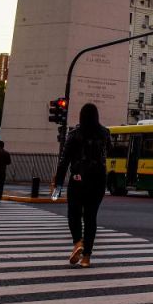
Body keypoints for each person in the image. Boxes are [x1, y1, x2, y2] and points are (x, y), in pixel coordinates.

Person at [52, 103, 110, 268]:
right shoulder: (105, 133)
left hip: (78, 179)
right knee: (91, 217)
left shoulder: (74, 134)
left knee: (74, 213)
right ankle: (86, 258)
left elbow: (64, 160)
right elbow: (109, 152)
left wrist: (58, 184)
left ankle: (78, 242)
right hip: (98, 180)